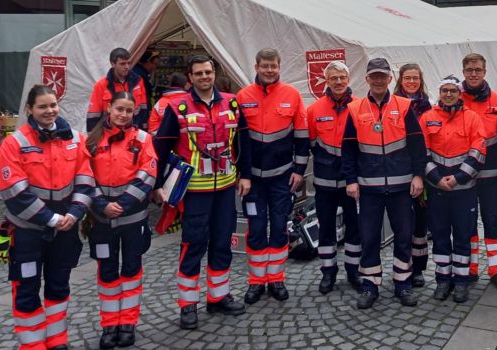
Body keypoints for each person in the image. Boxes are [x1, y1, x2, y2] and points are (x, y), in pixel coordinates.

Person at [153, 55, 250, 329]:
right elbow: (161, 146)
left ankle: (218, 296)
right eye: (199, 73)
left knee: (223, 242)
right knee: (193, 243)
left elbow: (243, 143)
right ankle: (187, 304)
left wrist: (247, 175)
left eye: (208, 72)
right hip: (195, 191)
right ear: (190, 77)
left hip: (226, 188)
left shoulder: (232, 102)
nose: (205, 77)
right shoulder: (178, 107)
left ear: (214, 72)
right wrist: (157, 185)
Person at [0, 85, 95, 350]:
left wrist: (74, 214)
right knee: (26, 290)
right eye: (42, 106)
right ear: (30, 109)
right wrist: (52, 219)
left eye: (53, 105)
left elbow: (86, 182)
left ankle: (57, 341)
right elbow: (15, 192)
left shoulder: (76, 139)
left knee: (58, 286)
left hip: (65, 230)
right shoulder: (14, 143)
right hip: (28, 232)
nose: (49, 111)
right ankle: (32, 346)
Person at [342, 57, 427, 309]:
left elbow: (417, 145)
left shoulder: (403, 105)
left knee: (403, 236)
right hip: (368, 188)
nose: (378, 80)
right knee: (369, 238)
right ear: (367, 79)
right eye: (374, 76)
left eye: (383, 76)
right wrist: (350, 180)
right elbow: (348, 149)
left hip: (401, 187)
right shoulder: (355, 108)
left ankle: (403, 283)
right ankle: (370, 285)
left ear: (390, 78)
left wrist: (418, 175)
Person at [236, 48, 309, 304]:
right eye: (265, 66)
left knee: (279, 228)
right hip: (253, 180)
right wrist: (242, 175)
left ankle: (276, 279)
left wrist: (299, 171)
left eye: (273, 66)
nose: (269, 70)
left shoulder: (292, 95)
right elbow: (238, 142)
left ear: (280, 67)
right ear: (256, 67)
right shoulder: (243, 96)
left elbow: (302, 136)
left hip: (282, 178)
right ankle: (256, 282)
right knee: (256, 230)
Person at [85, 92, 157, 348]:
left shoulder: (143, 139)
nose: (123, 114)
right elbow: (84, 176)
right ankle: (109, 324)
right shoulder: (91, 140)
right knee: (106, 271)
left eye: (129, 110)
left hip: (132, 219)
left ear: (134, 112)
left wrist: (122, 205)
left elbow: (147, 174)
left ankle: (128, 322)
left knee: (131, 269)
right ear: (109, 108)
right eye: (119, 109)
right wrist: (102, 205)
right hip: (101, 220)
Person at [419, 75, 485, 303]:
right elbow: (421, 152)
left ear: (460, 93)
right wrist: (437, 179)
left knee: (463, 236)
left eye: (453, 91)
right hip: (437, 190)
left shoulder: (473, 118)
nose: (448, 94)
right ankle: (442, 280)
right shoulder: (427, 118)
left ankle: (461, 282)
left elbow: (478, 151)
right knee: (439, 236)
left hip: (464, 189)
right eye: (445, 90)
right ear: (439, 93)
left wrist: (457, 178)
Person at [307, 61, 362, 294]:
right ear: (326, 81)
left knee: (355, 229)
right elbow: (309, 142)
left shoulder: (360, 106)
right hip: (325, 182)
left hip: (353, 183)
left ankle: (353, 271)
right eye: (333, 78)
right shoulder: (314, 110)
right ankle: (328, 273)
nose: (338, 82)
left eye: (342, 77)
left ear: (348, 79)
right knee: (326, 229)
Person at [459, 53, 497, 292]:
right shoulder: (454, 98)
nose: (473, 74)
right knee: (467, 224)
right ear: (463, 71)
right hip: (464, 174)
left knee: (492, 221)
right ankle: (470, 269)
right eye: (469, 69)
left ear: (485, 71)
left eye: (477, 70)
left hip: (491, 174)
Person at [393, 63, 432, 287]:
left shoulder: (428, 106)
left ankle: (418, 268)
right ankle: (402, 266)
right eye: (407, 78)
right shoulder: (392, 104)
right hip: (398, 168)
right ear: (400, 80)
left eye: (415, 78)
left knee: (420, 223)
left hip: (422, 169)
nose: (411, 82)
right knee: (402, 223)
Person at [86, 48, 149, 131]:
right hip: (109, 131)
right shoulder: (102, 85)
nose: (127, 67)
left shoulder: (138, 81)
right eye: (122, 64)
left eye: (128, 63)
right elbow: (93, 114)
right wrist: (93, 137)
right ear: (113, 64)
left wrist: (144, 130)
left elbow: (144, 108)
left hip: (133, 130)